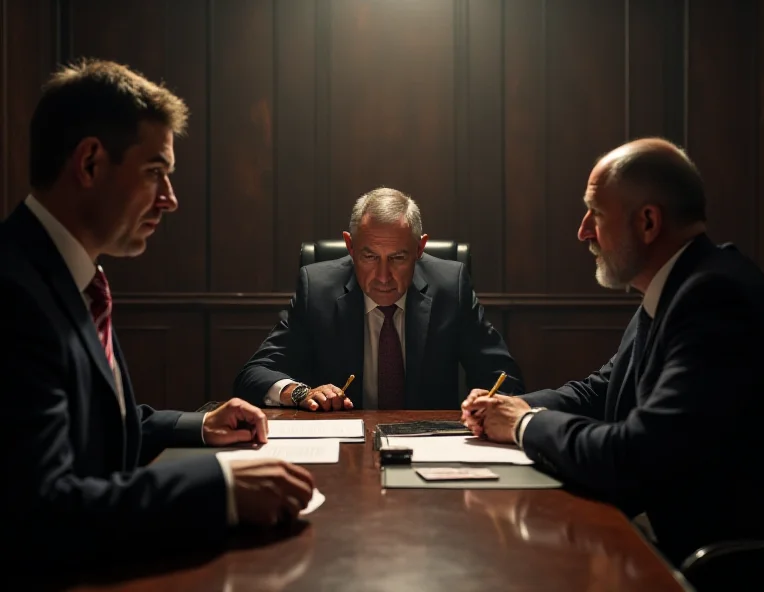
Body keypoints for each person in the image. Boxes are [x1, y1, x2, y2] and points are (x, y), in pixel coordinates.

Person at [0, 59, 315, 567]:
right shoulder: (13, 295)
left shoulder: (68, 277)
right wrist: (222, 486)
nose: (170, 199)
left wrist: (201, 426)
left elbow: (94, 428)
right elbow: (41, 513)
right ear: (89, 164)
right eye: (155, 173)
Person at [462, 138, 764, 565]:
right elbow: (603, 390)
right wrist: (508, 406)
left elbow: (635, 456)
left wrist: (523, 424)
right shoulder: (682, 284)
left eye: (596, 213)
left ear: (648, 223)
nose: (583, 230)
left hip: (724, 565)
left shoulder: (715, 297)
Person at [234, 187, 525, 411]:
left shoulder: (451, 286)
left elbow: (504, 378)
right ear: (350, 246)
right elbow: (253, 374)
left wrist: (492, 405)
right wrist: (301, 393)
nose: (383, 277)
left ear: (420, 248)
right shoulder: (318, 289)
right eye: (369, 256)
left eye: (398, 258)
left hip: (430, 446)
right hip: (341, 451)